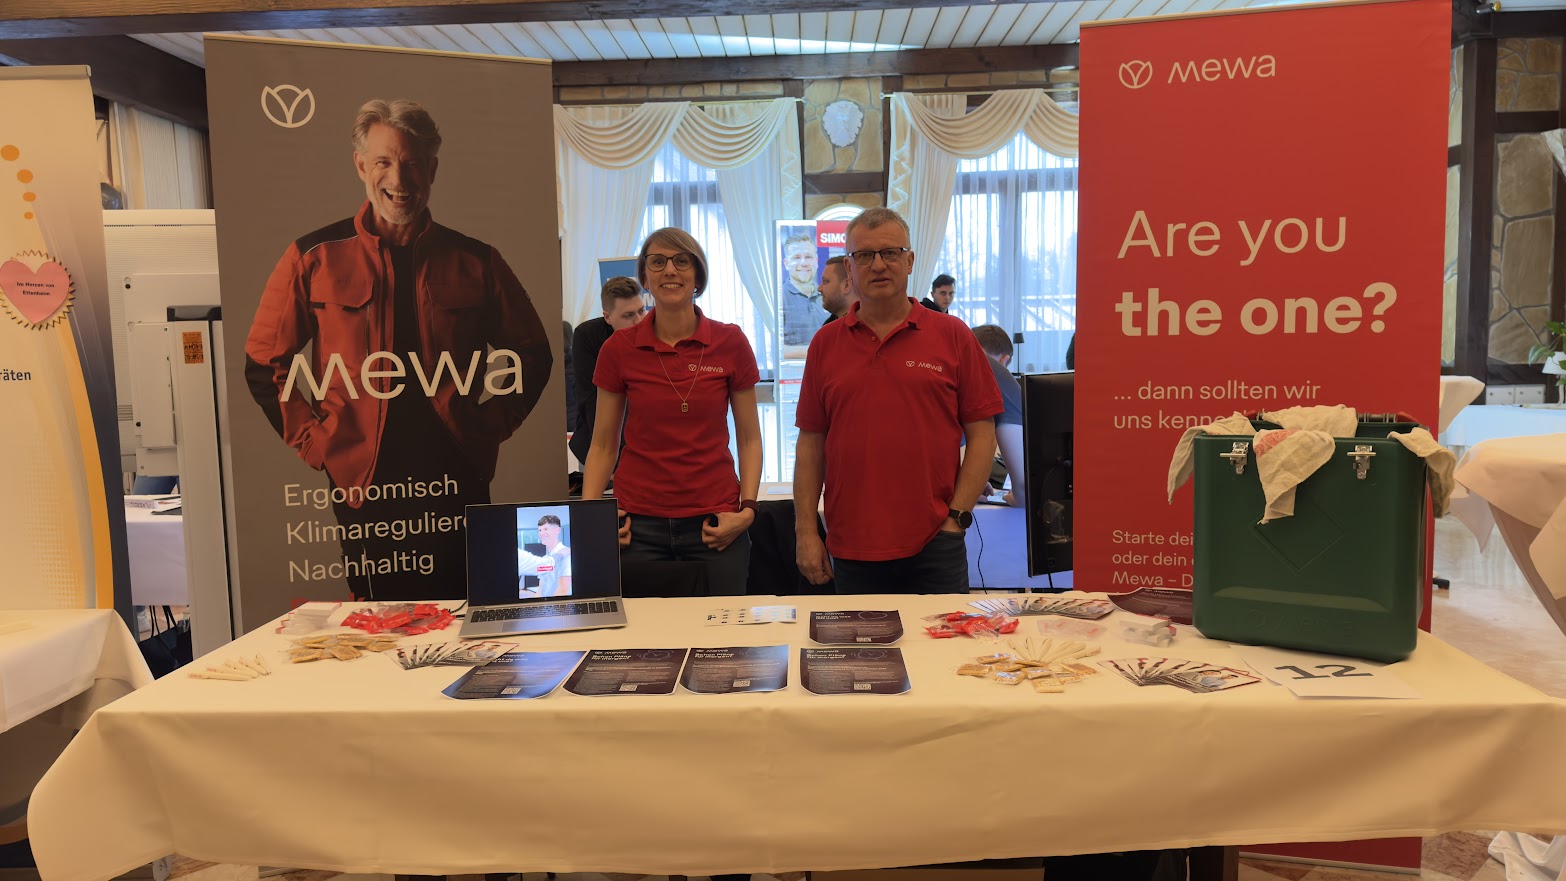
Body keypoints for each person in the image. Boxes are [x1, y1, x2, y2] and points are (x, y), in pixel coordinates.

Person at [244, 98, 552, 601]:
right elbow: (262, 362)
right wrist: (317, 442)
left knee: (468, 612)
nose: (398, 178)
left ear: (432, 169)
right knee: (380, 622)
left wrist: (488, 427)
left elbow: (533, 353)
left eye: (412, 163)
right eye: (384, 161)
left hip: (454, 475)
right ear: (360, 165)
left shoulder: (477, 260)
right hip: (364, 482)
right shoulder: (312, 257)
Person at [793, 207, 1002, 594]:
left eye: (890, 252)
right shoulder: (825, 344)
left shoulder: (953, 335)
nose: (878, 265)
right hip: (851, 544)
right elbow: (810, 445)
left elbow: (983, 435)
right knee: (862, 639)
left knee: (943, 638)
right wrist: (805, 531)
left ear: (909, 261)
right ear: (849, 268)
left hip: (935, 543)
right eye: (864, 255)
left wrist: (956, 518)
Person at [583, 227, 763, 597]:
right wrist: (590, 519)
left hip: (715, 525)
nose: (669, 270)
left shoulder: (730, 342)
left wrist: (747, 509)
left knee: (723, 632)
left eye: (682, 261)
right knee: (640, 634)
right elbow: (602, 444)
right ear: (644, 276)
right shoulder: (618, 349)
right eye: (658, 262)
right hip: (636, 528)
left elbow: (749, 438)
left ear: (698, 275)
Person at [569, 276, 647, 471]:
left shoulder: (655, 332)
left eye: (641, 311)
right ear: (607, 317)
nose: (639, 321)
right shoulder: (587, 336)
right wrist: (611, 465)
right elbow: (591, 401)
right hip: (596, 444)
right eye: (628, 315)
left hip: (646, 447)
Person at [971, 325, 1026, 508]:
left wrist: (969, 482)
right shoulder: (997, 375)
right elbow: (1024, 486)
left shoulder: (943, 357)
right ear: (1004, 359)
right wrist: (1017, 498)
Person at [781, 231, 826, 346]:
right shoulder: (779, 298)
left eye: (808, 257)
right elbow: (777, 348)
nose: (803, 263)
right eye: (796, 257)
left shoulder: (828, 295)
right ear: (786, 263)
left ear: (816, 261)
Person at [518, 514, 572, 598]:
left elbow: (563, 589)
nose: (542, 533)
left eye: (545, 529)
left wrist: (550, 606)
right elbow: (541, 588)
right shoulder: (545, 559)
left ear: (558, 530)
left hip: (557, 605)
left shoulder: (566, 555)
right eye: (540, 530)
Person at [818, 254, 856, 324]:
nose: (819, 289)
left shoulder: (868, 327)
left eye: (825, 281)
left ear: (846, 285)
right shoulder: (828, 326)